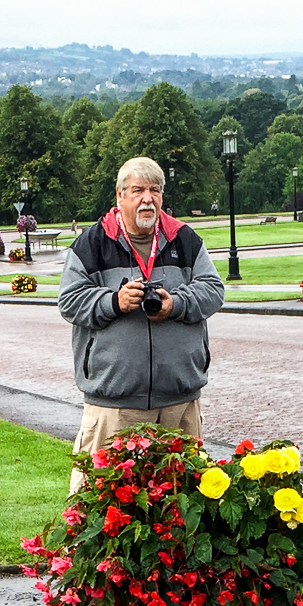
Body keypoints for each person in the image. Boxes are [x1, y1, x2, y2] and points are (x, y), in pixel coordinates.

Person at [58, 156, 226, 493]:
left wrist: (175, 303)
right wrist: (114, 302)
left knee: (183, 502)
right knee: (100, 499)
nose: (147, 198)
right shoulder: (93, 244)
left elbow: (213, 290)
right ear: (120, 197)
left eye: (154, 190)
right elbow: (70, 301)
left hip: (179, 401)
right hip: (115, 403)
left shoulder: (184, 240)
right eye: (137, 190)